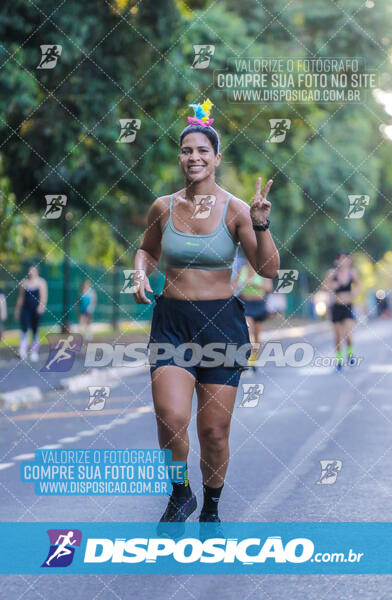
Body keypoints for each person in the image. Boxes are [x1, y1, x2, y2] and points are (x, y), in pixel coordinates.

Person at [133, 99, 279, 534]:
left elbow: (269, 268)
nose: (193, 157)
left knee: (213, 432)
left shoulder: (236, 209)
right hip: (172, 322)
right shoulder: (163, 207)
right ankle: (181, 493)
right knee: (170, 415)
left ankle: (211, 506)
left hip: (221, 326)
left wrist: (261, 224)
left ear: (216, 158)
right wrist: (140, 274)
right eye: (186, 150)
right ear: (180, 157)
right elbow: (147, 251)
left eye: (202, 151)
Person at [321, 252, 360, 371]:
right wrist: (333, 285)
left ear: (349, 261)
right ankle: (338, 360)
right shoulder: (332, 273)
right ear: (336, 261)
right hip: (336, 308)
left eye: (345, 259)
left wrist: (354, 293)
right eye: (340, 259)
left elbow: (359, 285)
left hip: (348, 307)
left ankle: (350, 353)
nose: (342, 261)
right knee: (338, 337)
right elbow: (324, 287)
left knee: (348, 335)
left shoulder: (352, 273)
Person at [234, 261, 273, 369]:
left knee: (256, 335)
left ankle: (254, 359)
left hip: (258, 305)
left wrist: (253, 284)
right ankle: (247, 356)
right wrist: (241, 284)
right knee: (248, 329)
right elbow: (233, 286)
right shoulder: (242, 270)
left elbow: (268, 287)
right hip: (245, 304)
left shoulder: (262, 271)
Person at [14, 265, 48, 361]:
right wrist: (17, 310)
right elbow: (21, 298)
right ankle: (22, 350)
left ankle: (34, 352)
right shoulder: (24, 283)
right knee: (24, 329)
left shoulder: (41, 282)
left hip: (35, 309)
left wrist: (41, 307)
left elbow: (44, 296)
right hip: (25, 309)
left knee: (35, 330)